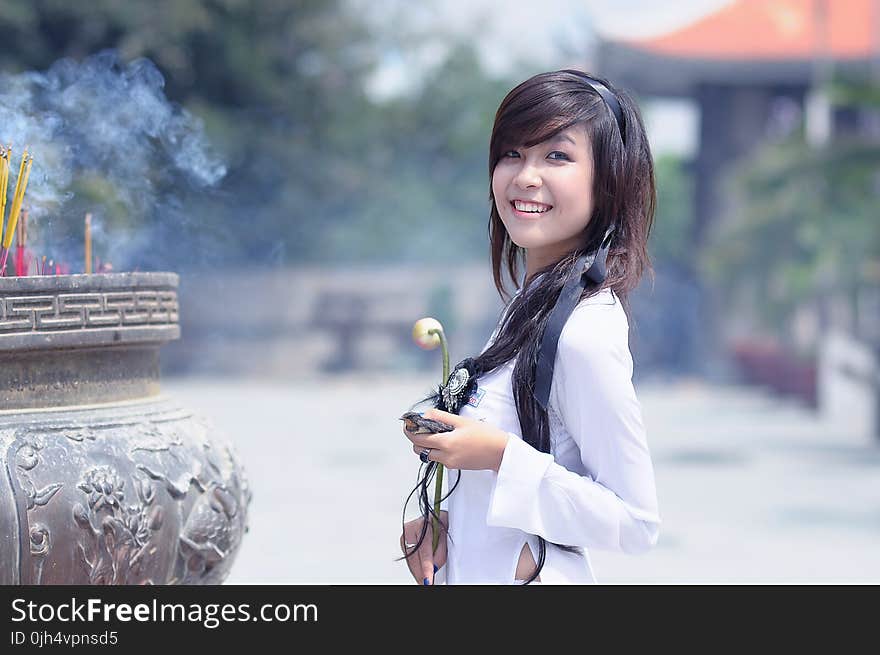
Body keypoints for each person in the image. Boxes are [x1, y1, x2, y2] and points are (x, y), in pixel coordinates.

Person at [398, 69, 661, 585]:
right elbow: (538, 470)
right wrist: (454, 524)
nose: (525, 176)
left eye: (557, 156)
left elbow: (636, 521)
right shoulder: (531, 305)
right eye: (512, 153)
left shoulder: (584, 332)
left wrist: (498, 456)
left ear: (607, 183)